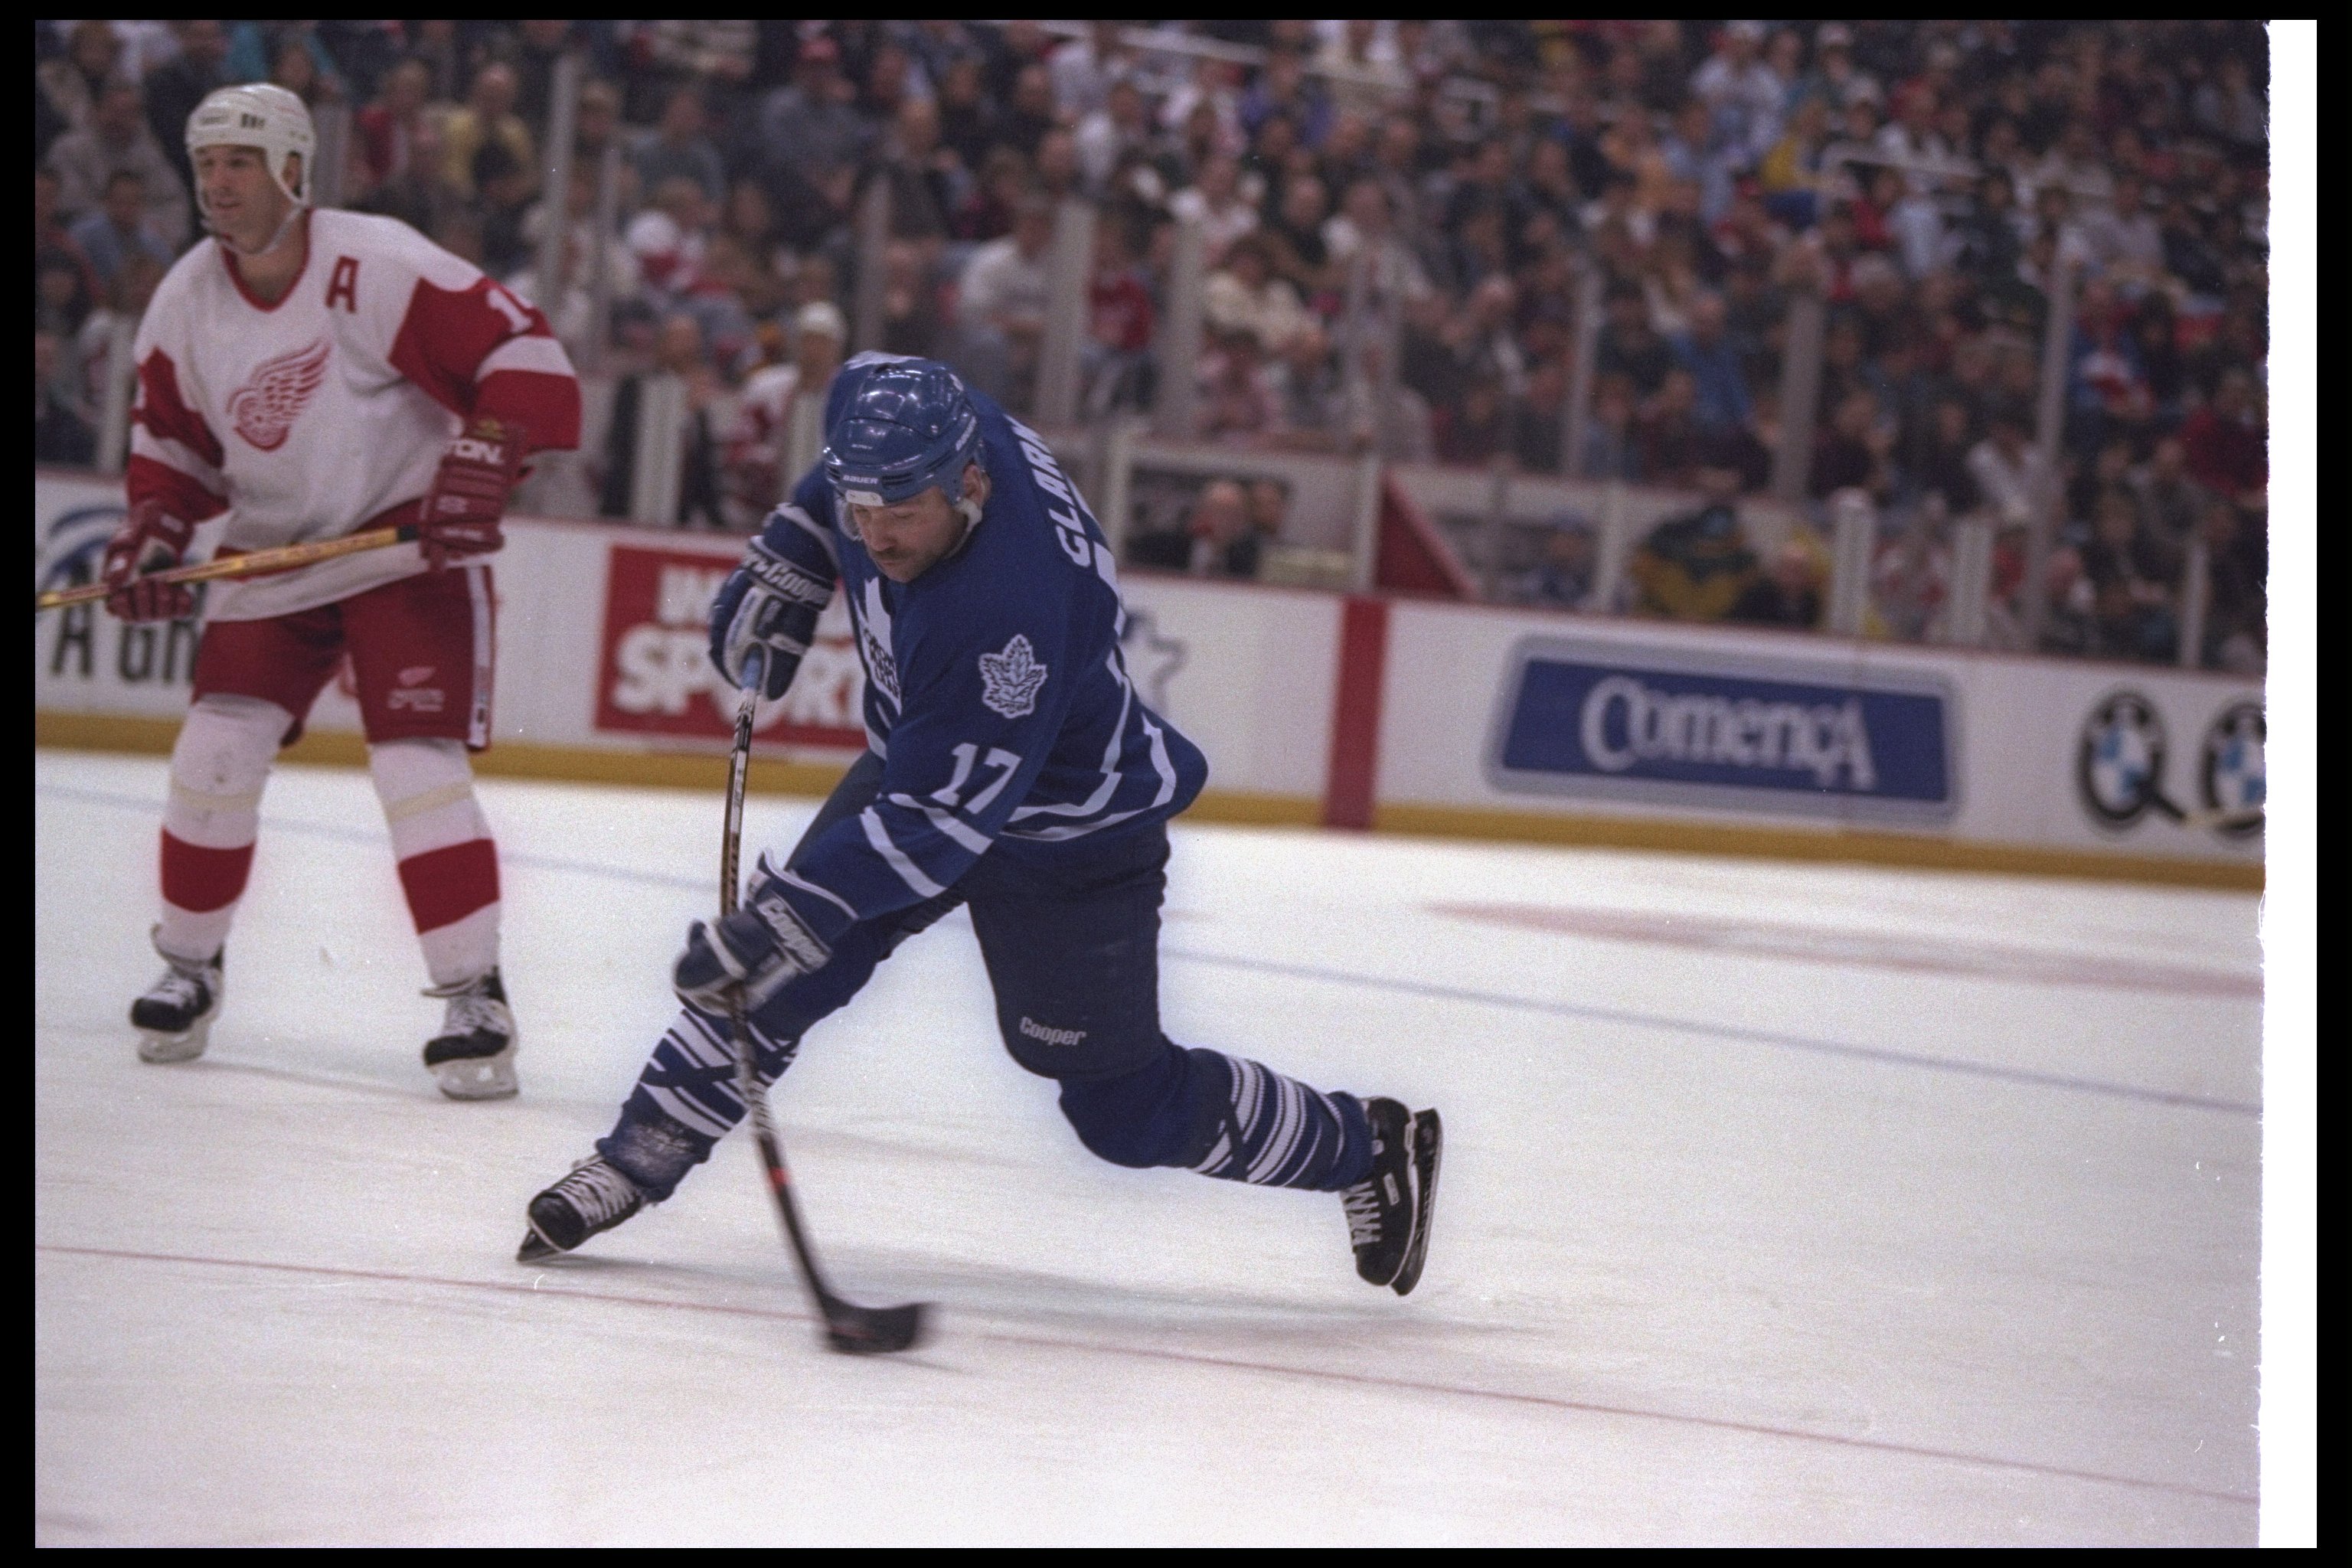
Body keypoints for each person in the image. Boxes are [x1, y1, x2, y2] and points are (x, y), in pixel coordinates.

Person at [518, 356, 1442, 1297]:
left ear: (970, 483)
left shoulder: (1010, 617)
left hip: (1069, 837)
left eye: (901, 513)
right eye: (859, 509)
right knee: (775, 984)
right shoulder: (912, 416)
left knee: (1120, 1110)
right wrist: (795, 547)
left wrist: (781, 916)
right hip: (925, 771)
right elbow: (847, 469)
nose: (875, 534)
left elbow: (932, 827)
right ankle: (633, 1160)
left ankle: (1367, 1143)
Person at [104, 84, 581, 1096]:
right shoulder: (187, 297)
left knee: (416, 763)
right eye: (207, 165)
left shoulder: (374, 262)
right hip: (271, 556)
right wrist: (150, 534)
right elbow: (173, 450)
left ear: (292, 169)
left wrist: (485, 456)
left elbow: (526, 353)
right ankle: (189, 966)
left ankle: (473, 993)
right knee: (215, 750)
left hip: (399, 551)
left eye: (241, 161)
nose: (219, 183)